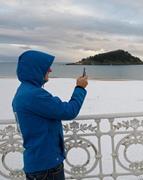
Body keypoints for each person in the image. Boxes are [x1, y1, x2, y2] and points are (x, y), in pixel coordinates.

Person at [12, 50, 88, 180]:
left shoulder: (24, 91)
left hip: (38, 162)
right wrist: (80, 88)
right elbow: (69, 111)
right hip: (46, 166)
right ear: (35, 69)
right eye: (46, 67)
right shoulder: (34, 95)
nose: (50, 70)